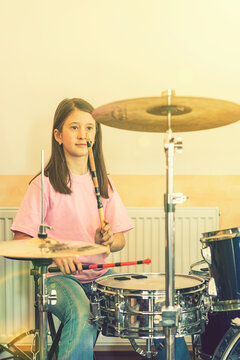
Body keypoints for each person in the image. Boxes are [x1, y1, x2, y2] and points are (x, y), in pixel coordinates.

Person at [11, 98, 134, 360]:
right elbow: (21, 239)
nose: (83, 134)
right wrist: (54, 254)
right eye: (74, 127)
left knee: (154, 305)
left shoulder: (104, 183)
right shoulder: (43, 184)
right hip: (56, 280)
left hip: (100, 275)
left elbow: (120, 240)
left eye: (90, 128)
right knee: (82, 312)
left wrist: (108, 240)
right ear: (58, 135)